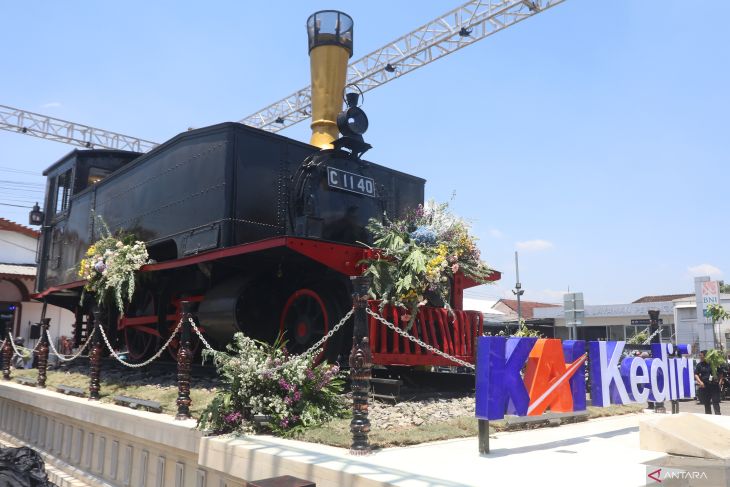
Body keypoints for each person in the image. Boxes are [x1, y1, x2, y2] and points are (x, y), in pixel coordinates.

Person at [694, 350, 723, 415]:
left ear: (706, 356)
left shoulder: (714, 364)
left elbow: (721, 373)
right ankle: (708, 416)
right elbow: (696, 374)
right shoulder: (699, 365)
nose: (700, 357)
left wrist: (720, 382)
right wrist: (700, 382)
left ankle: (718, 416)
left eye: (701, 356)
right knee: (706, 403)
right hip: (705, 386)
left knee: (716, 402)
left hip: (714, 386)